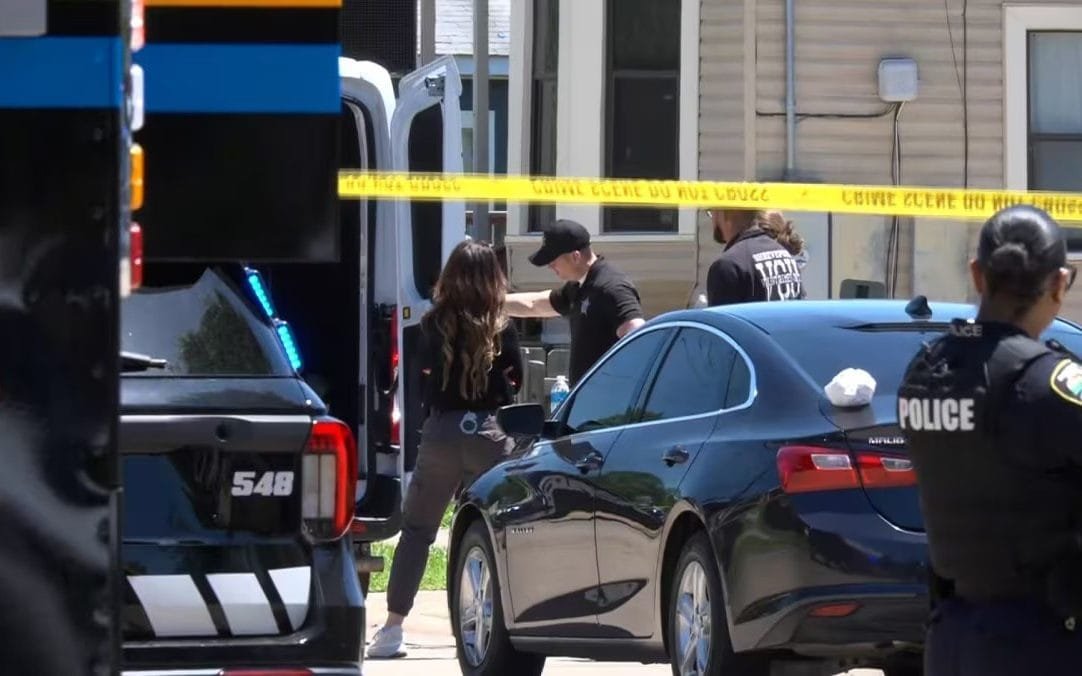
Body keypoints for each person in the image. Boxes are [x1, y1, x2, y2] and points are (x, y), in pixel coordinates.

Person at [897, 204, 1082, 675]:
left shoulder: (925, 374)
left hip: (953, 636)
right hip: (1041, 640)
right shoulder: (1047, 384)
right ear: (1060, 283)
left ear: (977, 275)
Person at [366, 240, 523, 659]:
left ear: (449, 275)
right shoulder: (502, 326)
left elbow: (419, 386)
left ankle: (393, 629)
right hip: (491, 435)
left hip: (441, 433)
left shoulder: (432, 324)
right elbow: (516, 381)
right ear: (493, 278)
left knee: (418, 532)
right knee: (499, 534)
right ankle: (498, 631)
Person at [504, 219, 645, 385]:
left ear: (575, 256)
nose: (550, 266)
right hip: (586, 396)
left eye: (553, 260)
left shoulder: (611, 286)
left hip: (608, 397)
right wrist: (490, 303)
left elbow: (638, 335)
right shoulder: (578, 287)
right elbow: (535, 305)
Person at [705, 208, 805, 306]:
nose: (712, 219)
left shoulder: (727, 266)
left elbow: (723, 317)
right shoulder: (786, 256)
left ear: (722, 212)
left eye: (711, 211)